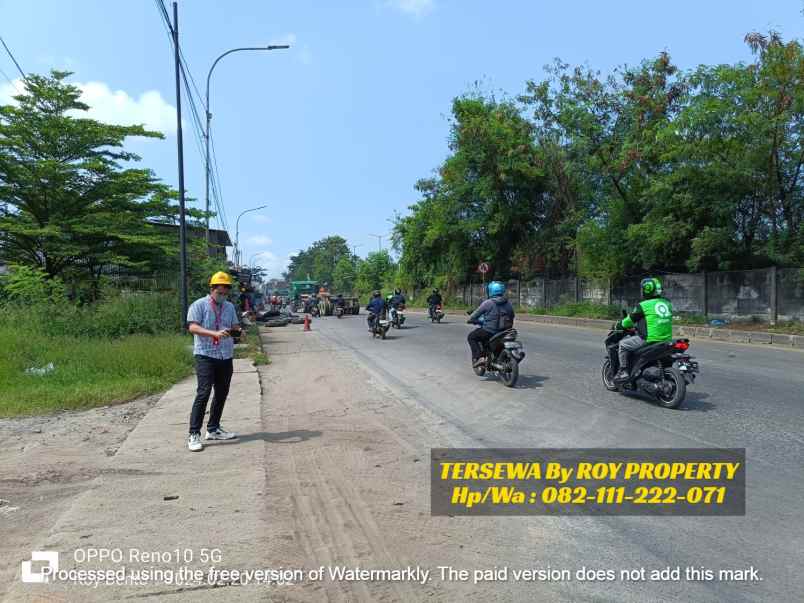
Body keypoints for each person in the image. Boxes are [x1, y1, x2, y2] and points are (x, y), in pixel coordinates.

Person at [186, 271, 241, 452]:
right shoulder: (199, 305)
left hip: (225, 355)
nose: (222, 296)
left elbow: (234, 326)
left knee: (221, 393)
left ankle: (214, 428)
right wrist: (213, 333)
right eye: (220, 292)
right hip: (205, 354)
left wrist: (238, 331)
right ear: (212, 289)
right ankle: (194, 433)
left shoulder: (230, 307)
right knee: (203, 392)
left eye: (226, 293)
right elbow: (192, 327)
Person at [614, 277, 674, 382]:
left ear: (646, 290)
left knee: (623, 345)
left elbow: (629, 320)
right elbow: (654, 319)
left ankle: (623, 371)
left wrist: (619, 325)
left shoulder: (643, 305)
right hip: (666, 339)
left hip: (650, 339)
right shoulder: (667, 303)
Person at [466, 281, 515, 368]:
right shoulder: (508, 303)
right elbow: (512, 316)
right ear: (502, 291)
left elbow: (474, 316)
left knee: (471, 337)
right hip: (506, 331)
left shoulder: (488, 303)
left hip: (490, 331)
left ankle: (479, 357)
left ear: (491, 291)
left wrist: (472, 320)